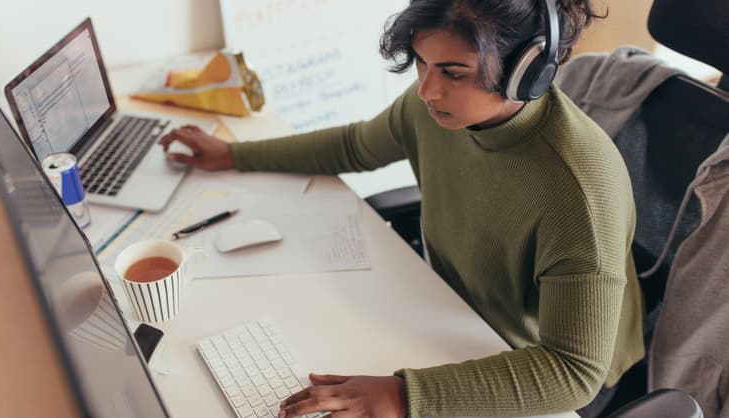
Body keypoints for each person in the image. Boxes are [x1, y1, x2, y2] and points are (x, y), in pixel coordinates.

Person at [158, 0, 645, 416]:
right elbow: (355, 146)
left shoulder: (579, 191)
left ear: (528, 72)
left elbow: (573, 369)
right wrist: (235, 155)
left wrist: (404, 396)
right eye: (422, 63)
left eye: (454, 73)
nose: (428, 91)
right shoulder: (435, 107)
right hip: (450, 311)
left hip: (529, 364)